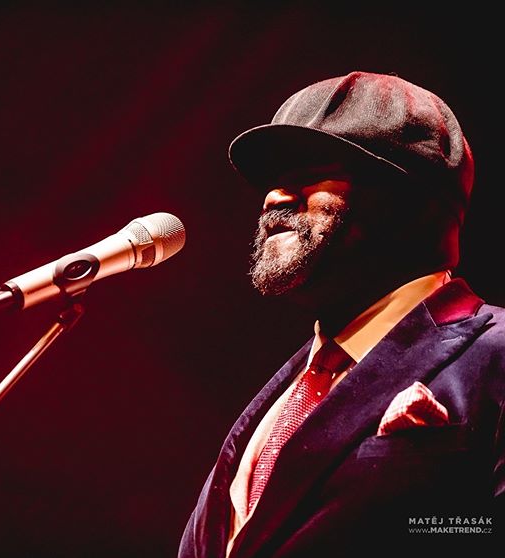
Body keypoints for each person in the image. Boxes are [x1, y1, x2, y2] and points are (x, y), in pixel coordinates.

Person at [177, 71, 505, 557]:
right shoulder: (290, 390)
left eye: (309, 172)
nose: (275, 196)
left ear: (407, 201)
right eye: (273, 178)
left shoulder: (496, 356)